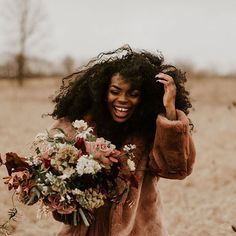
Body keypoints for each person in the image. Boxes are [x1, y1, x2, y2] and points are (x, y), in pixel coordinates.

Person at [49, 45, 196, 236]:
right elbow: (54, 171)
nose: (122, 99)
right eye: (115, 91)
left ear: (144, 99)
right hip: (87, 230)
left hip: (139, 229)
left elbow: (176, 168)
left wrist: (169, 109)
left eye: (133, 94)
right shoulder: (78, 128)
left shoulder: (149, 133)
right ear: (102, 92)